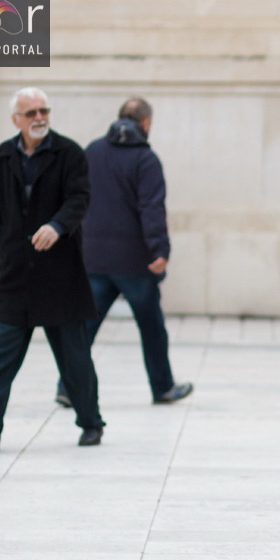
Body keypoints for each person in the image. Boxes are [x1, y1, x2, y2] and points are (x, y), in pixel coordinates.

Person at [0, 88, 105, 451]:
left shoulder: (69, 153)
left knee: (75, 361)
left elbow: (79, 198)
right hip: (16, 278)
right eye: (31, 113)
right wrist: (3, 240)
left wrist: (57, 226)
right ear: (16, 120)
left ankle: (91, 423)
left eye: (44, 110)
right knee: (0, 360)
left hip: (61, 277)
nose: (39, 117)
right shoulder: (1, 158)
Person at [54, 97, 193, 408]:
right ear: (145, 123)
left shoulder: (92, 151)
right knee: (152, 328)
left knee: (84, 328)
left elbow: (75, 200)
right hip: (134, 262)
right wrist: (160, 249)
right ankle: (163, 387)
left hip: (94, 258)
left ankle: (67, 387)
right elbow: (151, 208)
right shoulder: (146, 159)